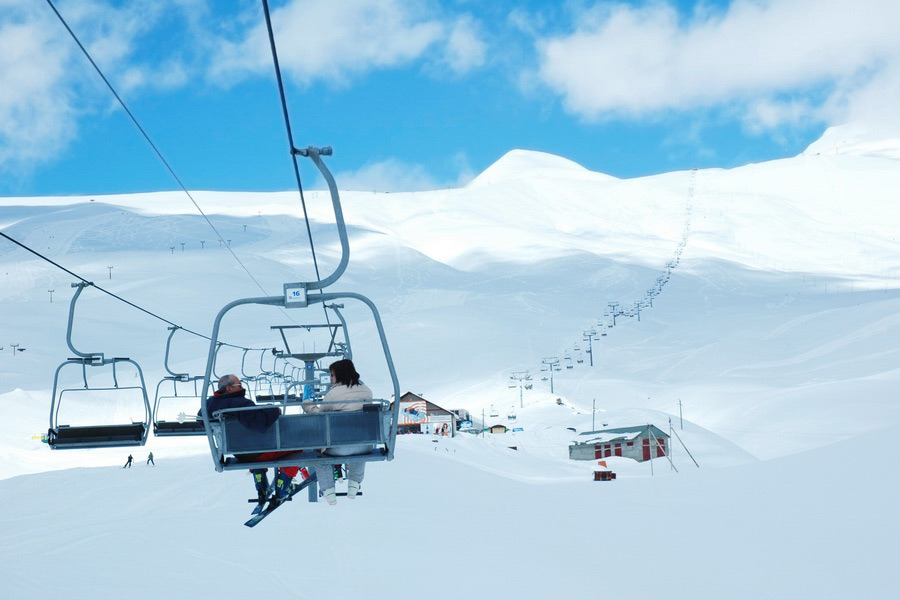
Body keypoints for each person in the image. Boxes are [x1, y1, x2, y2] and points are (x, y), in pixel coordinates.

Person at [202, 374, 303, 504]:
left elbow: (203, 421)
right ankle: (283, 486)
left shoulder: (209, 405)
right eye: (239, 385)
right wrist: (275, 411)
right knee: (297, 447)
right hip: (259, 452)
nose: (242, 387)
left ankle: (260, 482)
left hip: (239, 453)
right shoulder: (242, 404)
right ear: (229, 388)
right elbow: (260, 422)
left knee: (252, 445)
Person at [303, 359, 373, 506]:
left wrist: (307, 404)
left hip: (338, 448)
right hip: (364, 445)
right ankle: (354, 484)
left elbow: (320, 416)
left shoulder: (333, 395)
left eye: (332, 375)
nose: (331, 379)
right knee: (358, 444)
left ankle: (328, 491)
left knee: (319, 454)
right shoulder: (367, 391)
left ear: (340, 375)